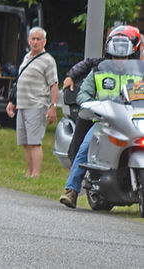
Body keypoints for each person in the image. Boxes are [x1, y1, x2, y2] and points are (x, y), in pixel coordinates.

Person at [59, 25, 141, 208]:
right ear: (109, 54)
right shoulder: (98, 71)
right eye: (116, 56)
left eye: (124, 57)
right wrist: (92, 105)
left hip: (132, 121)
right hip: (103, 122)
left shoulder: (139, 75)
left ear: (131, 56)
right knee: (85, 148)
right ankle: (71, 190)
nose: (119, 60)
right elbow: (83, 94)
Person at [6, 27, 58, 178]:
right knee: (25, 141)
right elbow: (21, 81)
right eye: (33, 39)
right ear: (28, 40)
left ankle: (36, 174)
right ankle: (28, 172)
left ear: (44, 41)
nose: (35, 42)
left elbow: (54, 84)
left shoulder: (48, 60)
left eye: (38, 39)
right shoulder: (27, 57)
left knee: (34, 142)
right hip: (22, 104)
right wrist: (12, 101)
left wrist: (53, 106)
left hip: (37, 105)